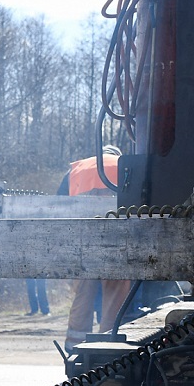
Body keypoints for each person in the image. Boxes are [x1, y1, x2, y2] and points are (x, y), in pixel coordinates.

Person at [63, 146, 132, 349]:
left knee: (83, 293)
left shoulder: (76, 169)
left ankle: (74, 344)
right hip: (115, 242)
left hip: (81, 244)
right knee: (114, 294)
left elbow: (57, 207)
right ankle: (106, 345)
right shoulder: (125, 167)